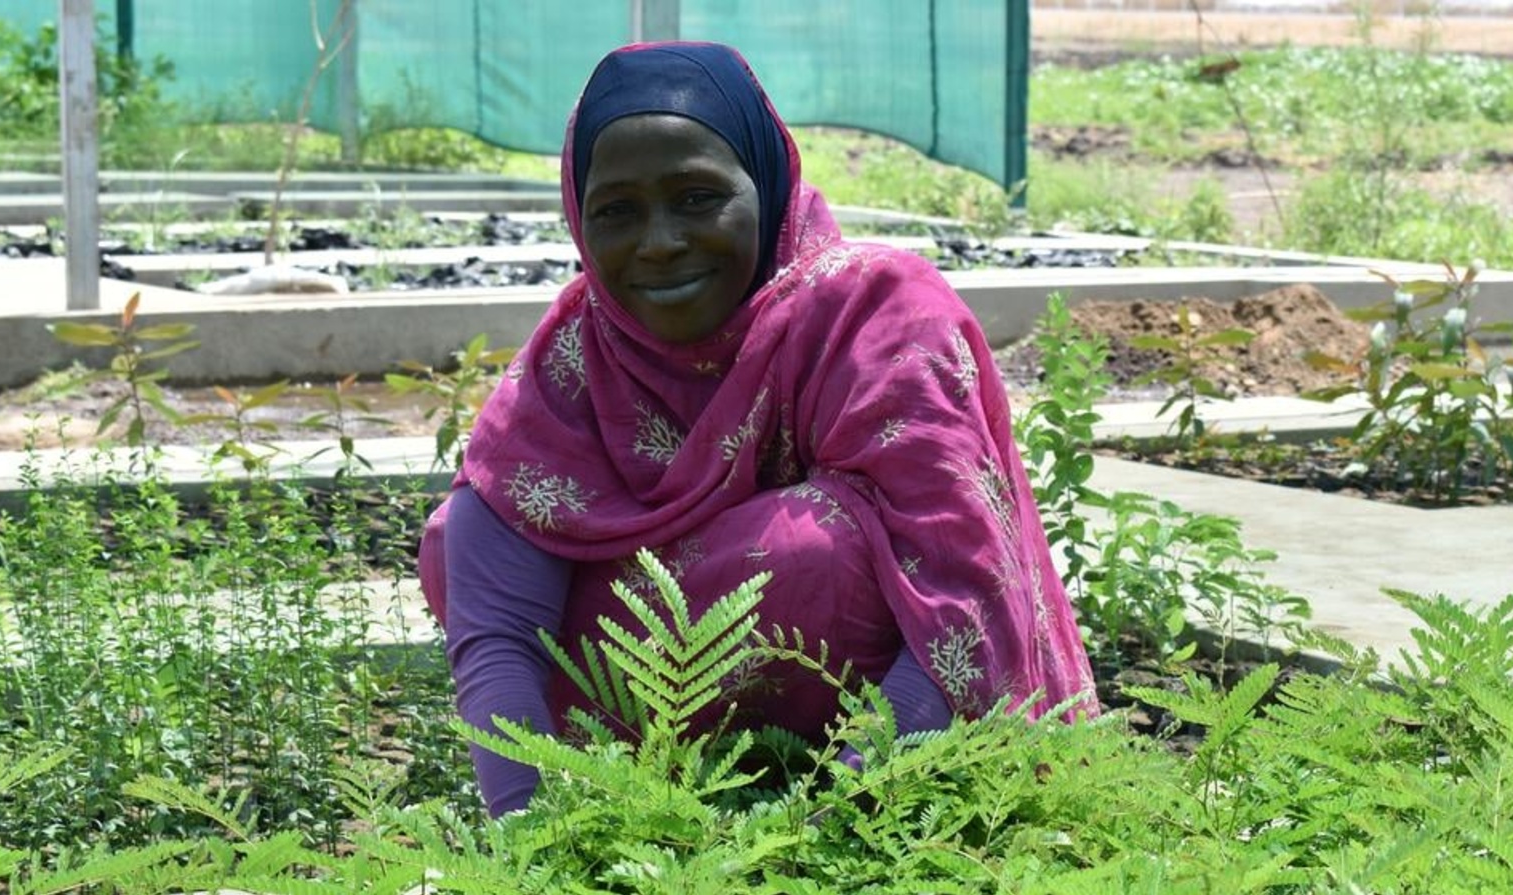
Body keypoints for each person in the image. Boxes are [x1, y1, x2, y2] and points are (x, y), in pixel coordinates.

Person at [417, 41, 1096, 818]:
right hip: (654, 770)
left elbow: (964, 596)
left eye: (698, 197)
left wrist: (835, 825)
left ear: (765, 185)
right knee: (467, 535)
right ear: (579, 217)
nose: (661, 240)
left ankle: (812, 795)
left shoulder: (874, 316)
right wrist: (530, 842)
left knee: (818, 548)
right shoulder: (581, 351)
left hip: (879, 765)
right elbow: (499, 628)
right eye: (617, 211)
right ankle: (630, 801)